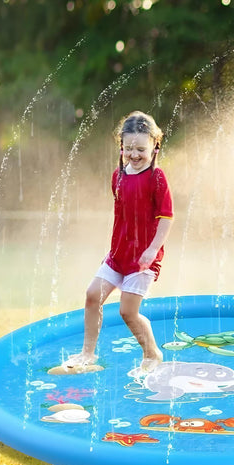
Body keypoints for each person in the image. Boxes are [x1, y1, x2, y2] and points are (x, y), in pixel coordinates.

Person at [66, 111, 173, 372]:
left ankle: (152, 353)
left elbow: (167, 217)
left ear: (154, 146)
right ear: (121, 147)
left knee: (128, 311)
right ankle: (87, 354)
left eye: (140, 149)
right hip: (118, 255)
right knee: (92, 296)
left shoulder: (156, 178)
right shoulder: (118, 176)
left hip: (143, 259)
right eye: (128, 149)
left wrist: (152, 249)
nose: (134, 155)